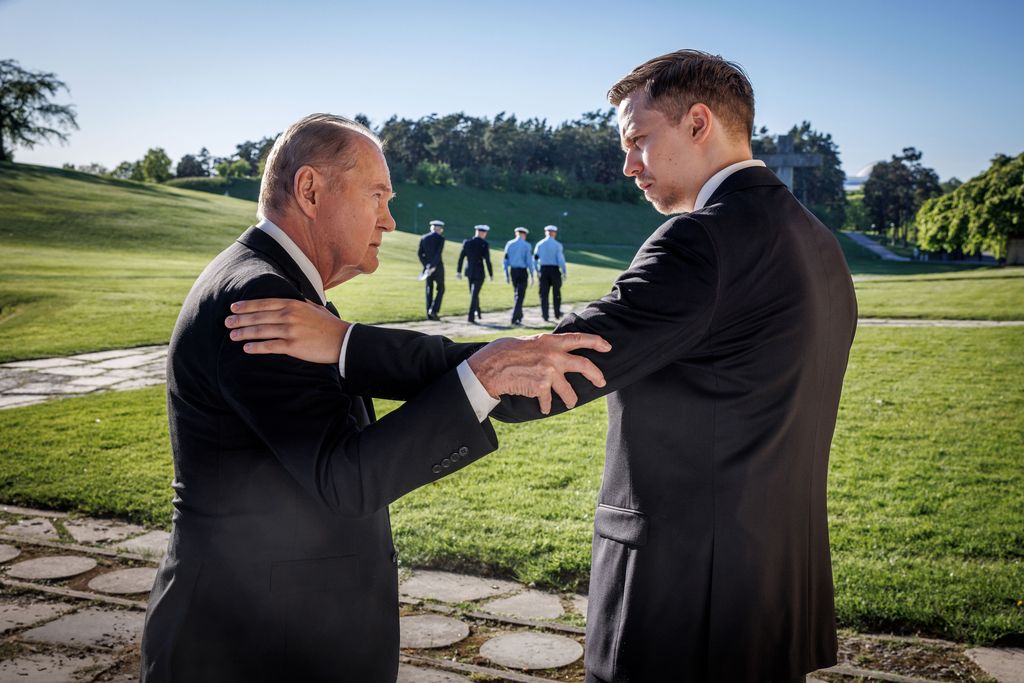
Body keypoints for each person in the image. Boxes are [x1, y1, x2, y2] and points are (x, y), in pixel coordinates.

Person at [227, 50, 858, 682]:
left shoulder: (702, 241)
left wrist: (348, 345)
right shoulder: (815, 240)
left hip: (687, 597)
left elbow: (540, 375)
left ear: (698, 123)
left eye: (638, 139)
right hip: (777, 588)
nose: (628, 165)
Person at [139, 113, 610, 683]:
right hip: (249, 644)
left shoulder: (280, 284)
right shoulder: (260, 297)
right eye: (378, 196)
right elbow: (346, 478)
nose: (388, 219)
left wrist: (494, 365)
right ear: (310, 190)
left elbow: (358, 377)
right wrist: (482, 377)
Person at [457, 224, 493, 323]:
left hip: (469, 272)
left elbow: (461, 258)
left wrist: (459, 271)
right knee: (474, 294)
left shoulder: (467, 242)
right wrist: (491, 274)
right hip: (479, 272)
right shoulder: (484, 244)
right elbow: (487, 260)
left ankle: (477, 311)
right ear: (482, 233)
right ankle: (471, 316)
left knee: (473, 293)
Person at [533, 224, 567, 322]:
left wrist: (537, 270)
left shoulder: (540, 244)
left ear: (546, 233)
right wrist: (564, 271)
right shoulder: (557, 245)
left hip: (543, 270)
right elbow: (561, 260)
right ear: (554, 233)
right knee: (556, 293)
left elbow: (535, 259)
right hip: (554, 270)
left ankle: (545, 315)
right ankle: (557, 313)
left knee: (544, 294)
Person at [503, 226, 534, 325]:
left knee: (517, 294)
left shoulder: (509, 244)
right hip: (522, 272)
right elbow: (529, 261)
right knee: (520, 295)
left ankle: (519, 316)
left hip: (513, 271)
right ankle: (514, 317)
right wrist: (532, 274)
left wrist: (506, 274)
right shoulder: (527, 245)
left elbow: (505, 260)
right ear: (524, 234)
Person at [418, 219, 446, 320]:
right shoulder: (441, 239)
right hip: (437, 268)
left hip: (427, 269)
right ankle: (433, 310)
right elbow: (438, 254)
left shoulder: (424, 237)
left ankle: (429, 315)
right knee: (441, 288)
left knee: (429, 289)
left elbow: (420, 254)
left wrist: (427, 266)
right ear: (438, 228)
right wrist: (432, 266)